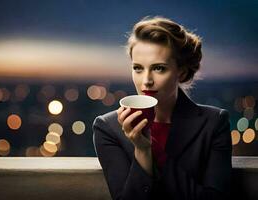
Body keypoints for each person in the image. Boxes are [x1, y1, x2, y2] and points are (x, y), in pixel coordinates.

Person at [92, 16, 232, 200]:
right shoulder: (107, 128)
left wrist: (154, 152)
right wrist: (142, 151)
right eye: (138, 68)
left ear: (180, 71)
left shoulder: (214, 123)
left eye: (158, 68)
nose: (146, 81)